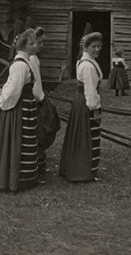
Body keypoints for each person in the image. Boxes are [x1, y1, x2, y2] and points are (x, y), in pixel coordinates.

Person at [0, 28, 40, 191]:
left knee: (23, 142)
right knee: (17, 142)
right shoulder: (20, 66)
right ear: (23, 46)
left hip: (24, 107)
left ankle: (24, 177)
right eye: (32, 43)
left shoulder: (25, 62)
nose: (35, 46)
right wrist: (2, 101)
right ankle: (16, 179)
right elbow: (12, 91)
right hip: (19, 109)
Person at [60, 31, 103, 182]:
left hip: (80, 100)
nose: (97, 49)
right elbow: (90, 92)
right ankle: (83, 171)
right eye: (93, 47)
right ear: (85, 47)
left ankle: (76, 167)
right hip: (86, 103)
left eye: (99, 46)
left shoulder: (83, 61)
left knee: (80, 136)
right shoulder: (88, 66)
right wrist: (95, 110)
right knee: (87, 137)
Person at [29, 27, 51, 174]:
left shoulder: (34, 58)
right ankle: (39, 162)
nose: (42, 46)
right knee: (40, 131)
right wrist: (40, 97)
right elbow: (35, 82)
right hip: (35, 99)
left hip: (38, 96)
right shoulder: (31, 59)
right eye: (40, 43)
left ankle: (39, 160)